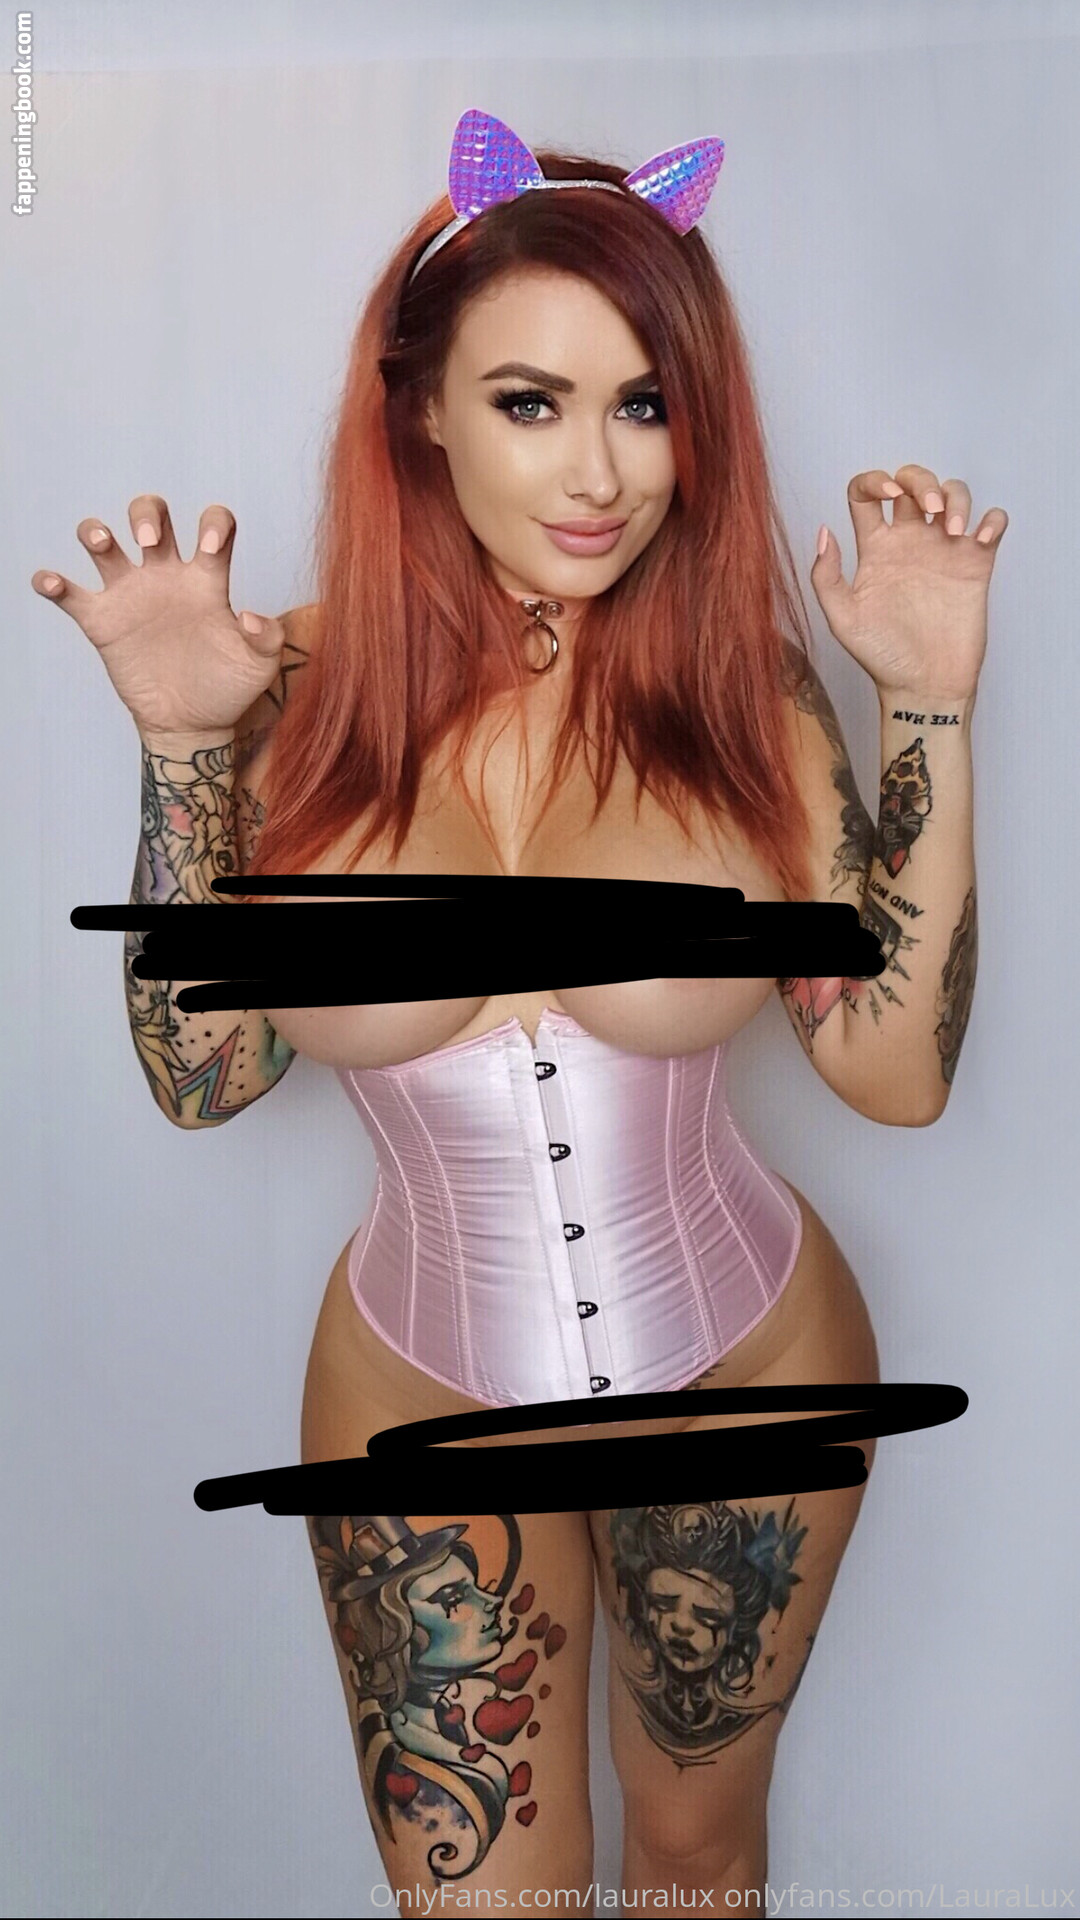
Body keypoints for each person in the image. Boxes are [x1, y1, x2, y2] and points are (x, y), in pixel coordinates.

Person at [34, 109, 1005, 1915]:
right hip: (412, 1396)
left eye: (646, 403)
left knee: (694, 1851)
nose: (600, 473)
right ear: (421, 408)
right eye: (531, 401)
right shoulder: (284, 694)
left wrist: (930, 707)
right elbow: (206, 1079)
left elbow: (895, 1076)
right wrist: (181, 749)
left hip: (749, 1382)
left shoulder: (743, 699)